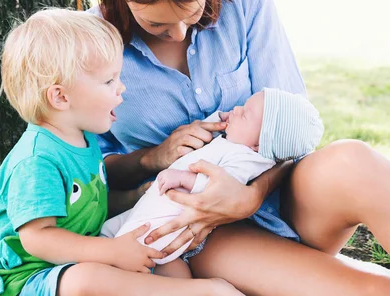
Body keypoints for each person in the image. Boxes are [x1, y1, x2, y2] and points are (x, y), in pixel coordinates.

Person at [81, 0, 390, 295]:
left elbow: (292, 123)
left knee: (354, 161)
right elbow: (90, 178)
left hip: (284, 193)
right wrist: (154, 157)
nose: (177, 34)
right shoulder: (90, 45)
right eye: (156, 24)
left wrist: (248, 196)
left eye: (190, 15)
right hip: (200, 228)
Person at [0, 8, 244, 296]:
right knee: (86, 281)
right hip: (25, 279)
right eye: (108, 81)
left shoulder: (84, 140)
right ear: (61, 97)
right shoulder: (37, 160)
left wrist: (134, 197)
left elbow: (90, 202)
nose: (121, 88)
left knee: (167, 263)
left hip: (82, 256)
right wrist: (114, 251)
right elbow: (38, 240)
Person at [102, 88, 323, 274]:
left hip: (169, 219)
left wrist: (184, 178)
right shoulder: (236, 141)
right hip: (151, 206)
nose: (236, 109)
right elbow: (216, 129)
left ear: (259, 145)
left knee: (132, 243)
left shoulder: (246, 159)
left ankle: (116, 273)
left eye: (244, 114)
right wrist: (221, 119)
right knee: (110, 231)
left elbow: (216, 188)